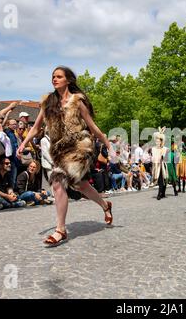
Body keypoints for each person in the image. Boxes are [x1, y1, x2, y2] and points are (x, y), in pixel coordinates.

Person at [17, 66, 114, 247]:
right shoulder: (48, 102)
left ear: (68, 80)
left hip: (80, 145)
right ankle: (104, 205)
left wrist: (108, 145)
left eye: (59, 76)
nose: (55, 79)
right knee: (80, 185)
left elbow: (92, 127)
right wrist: (23, 143)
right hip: (60, 149)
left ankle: (60, 230)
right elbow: (36, 128)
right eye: (53, 76)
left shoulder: (77, 102)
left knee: (59, 180)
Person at [152, 127, 169, 200]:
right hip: (156, 166)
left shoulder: (165, 149)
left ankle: (160, 193)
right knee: (159, 180)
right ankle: (161, 193)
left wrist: (163, 156)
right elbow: (153, 157)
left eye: (159, 141)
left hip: (162, 166)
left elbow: (166, 158)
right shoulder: (153, 149)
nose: (157, 142)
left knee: (163, 180)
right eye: (156, 141)